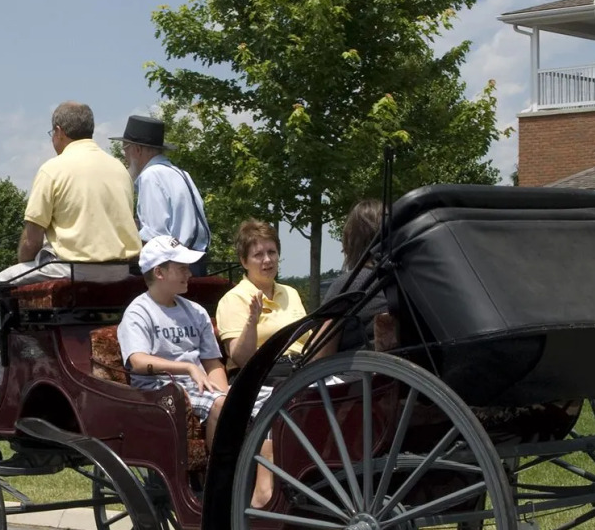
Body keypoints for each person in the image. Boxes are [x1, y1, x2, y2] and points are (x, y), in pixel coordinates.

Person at [0, 101, 140, 391]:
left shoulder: (53, 169)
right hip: (121, 272)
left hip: (72, 270)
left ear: (59, 132)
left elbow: (32, 239)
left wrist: (21, 264)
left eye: (51, 133)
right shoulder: (119, 168)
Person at [119, 235, 276, 505]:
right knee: (221, 404)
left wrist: (228, 392)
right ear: (159, 272)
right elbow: (137, 361)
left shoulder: (196, 312)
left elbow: (213, 362)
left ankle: (265, 485)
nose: (189, 273)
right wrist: (187, 369)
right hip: (162, 390)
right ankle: (222, 481)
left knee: (274, 399)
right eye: (181, 268)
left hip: (200, 386)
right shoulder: (138, 312)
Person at [113, 113, 211, 273]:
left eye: (125, 150)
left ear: (137, 149)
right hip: (198, 262)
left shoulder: (151, 176)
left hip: (175, 265)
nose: (125, 158)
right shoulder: (181, 173)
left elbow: (155, 236)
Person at [214, 219, 308, 368]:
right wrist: (252, 321)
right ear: (244, 262)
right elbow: (242, 359)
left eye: (272, 252)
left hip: (302, 370)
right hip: (261, 376)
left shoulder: (291, 293)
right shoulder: (233, 299)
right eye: (258, 255)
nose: (267, 260)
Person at [317, 199, 395, 353]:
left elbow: (319, 354)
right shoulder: (403, 281)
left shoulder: (348, 285)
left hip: (358, 373)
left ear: (351, 240)